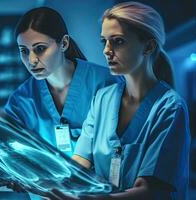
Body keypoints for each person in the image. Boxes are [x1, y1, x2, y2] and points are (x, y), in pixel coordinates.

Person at [49, 2, 191, 200]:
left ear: (148, 46)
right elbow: (80, 162)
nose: (107, 50)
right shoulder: (102, 99)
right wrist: (42, 181)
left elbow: (149, 191)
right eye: (104, 41)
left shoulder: (169, 108)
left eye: (118, 41)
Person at [4, 7, 117, 157]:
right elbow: (4, 144)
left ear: (63, 43)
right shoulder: (21, 100)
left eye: (40, 48)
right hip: (46, 180)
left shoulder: (106, 84)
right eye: (24, 51)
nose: (31, 61)